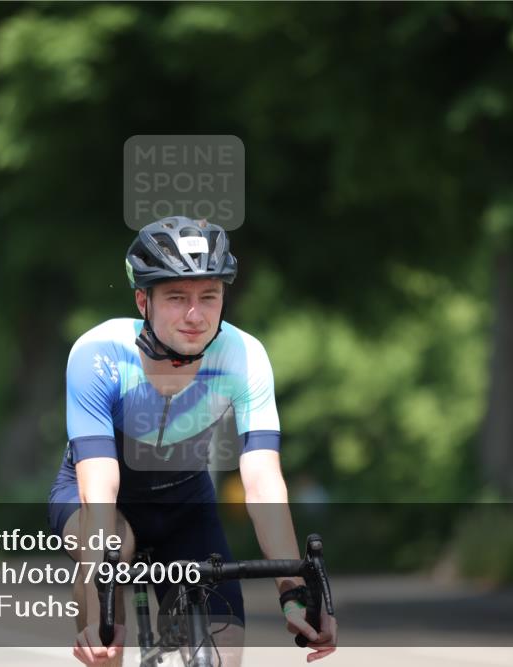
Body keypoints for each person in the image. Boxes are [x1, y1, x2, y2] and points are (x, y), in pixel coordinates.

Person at [47, 217, 337, 666]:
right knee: (112, 557)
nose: (195, 315)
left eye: (209, 296)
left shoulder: (244, 357)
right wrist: (96, 604)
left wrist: (294, 593)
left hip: (186, 506)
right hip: (101, 507)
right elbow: (98, 492)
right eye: (177, 297)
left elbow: (262, 483)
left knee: (225, 658)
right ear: (143, 300)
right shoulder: (98, 354)